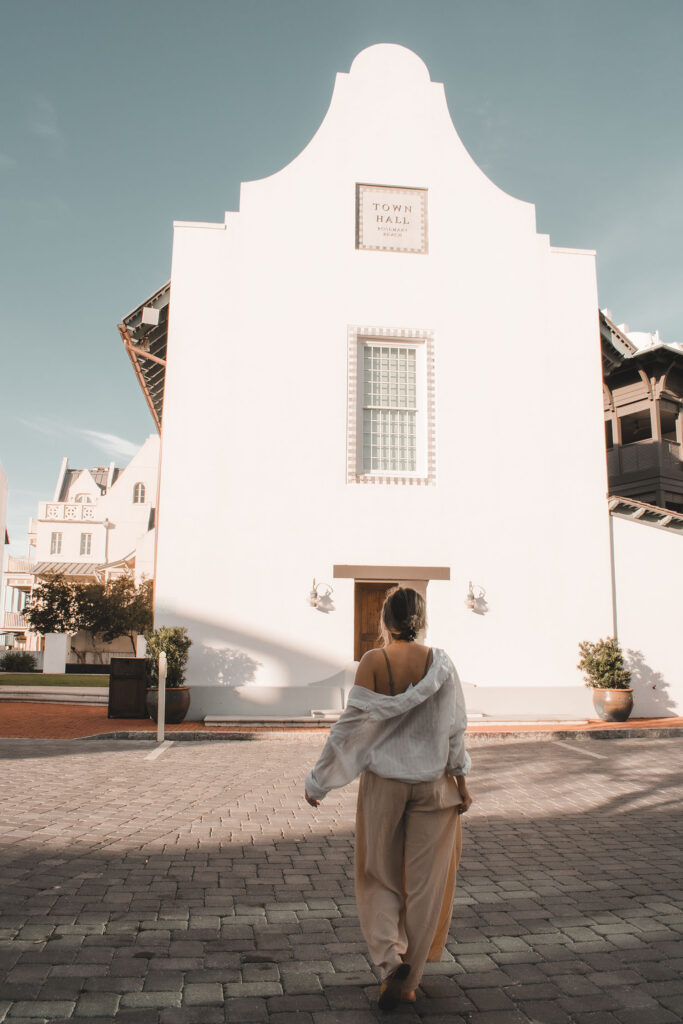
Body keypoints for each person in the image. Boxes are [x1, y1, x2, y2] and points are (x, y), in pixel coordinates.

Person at [304, 586, 472, 1011]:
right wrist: (462, 781)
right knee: (424, 886)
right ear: (422, 618)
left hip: (384, 786)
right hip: (434, 785)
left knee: (376, 875)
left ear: (386, 620)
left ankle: (387, 962)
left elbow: (349, 728)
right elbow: (456, 729)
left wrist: (318, 782)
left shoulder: (373, 662)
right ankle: (410, 979)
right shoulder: (443, 664)